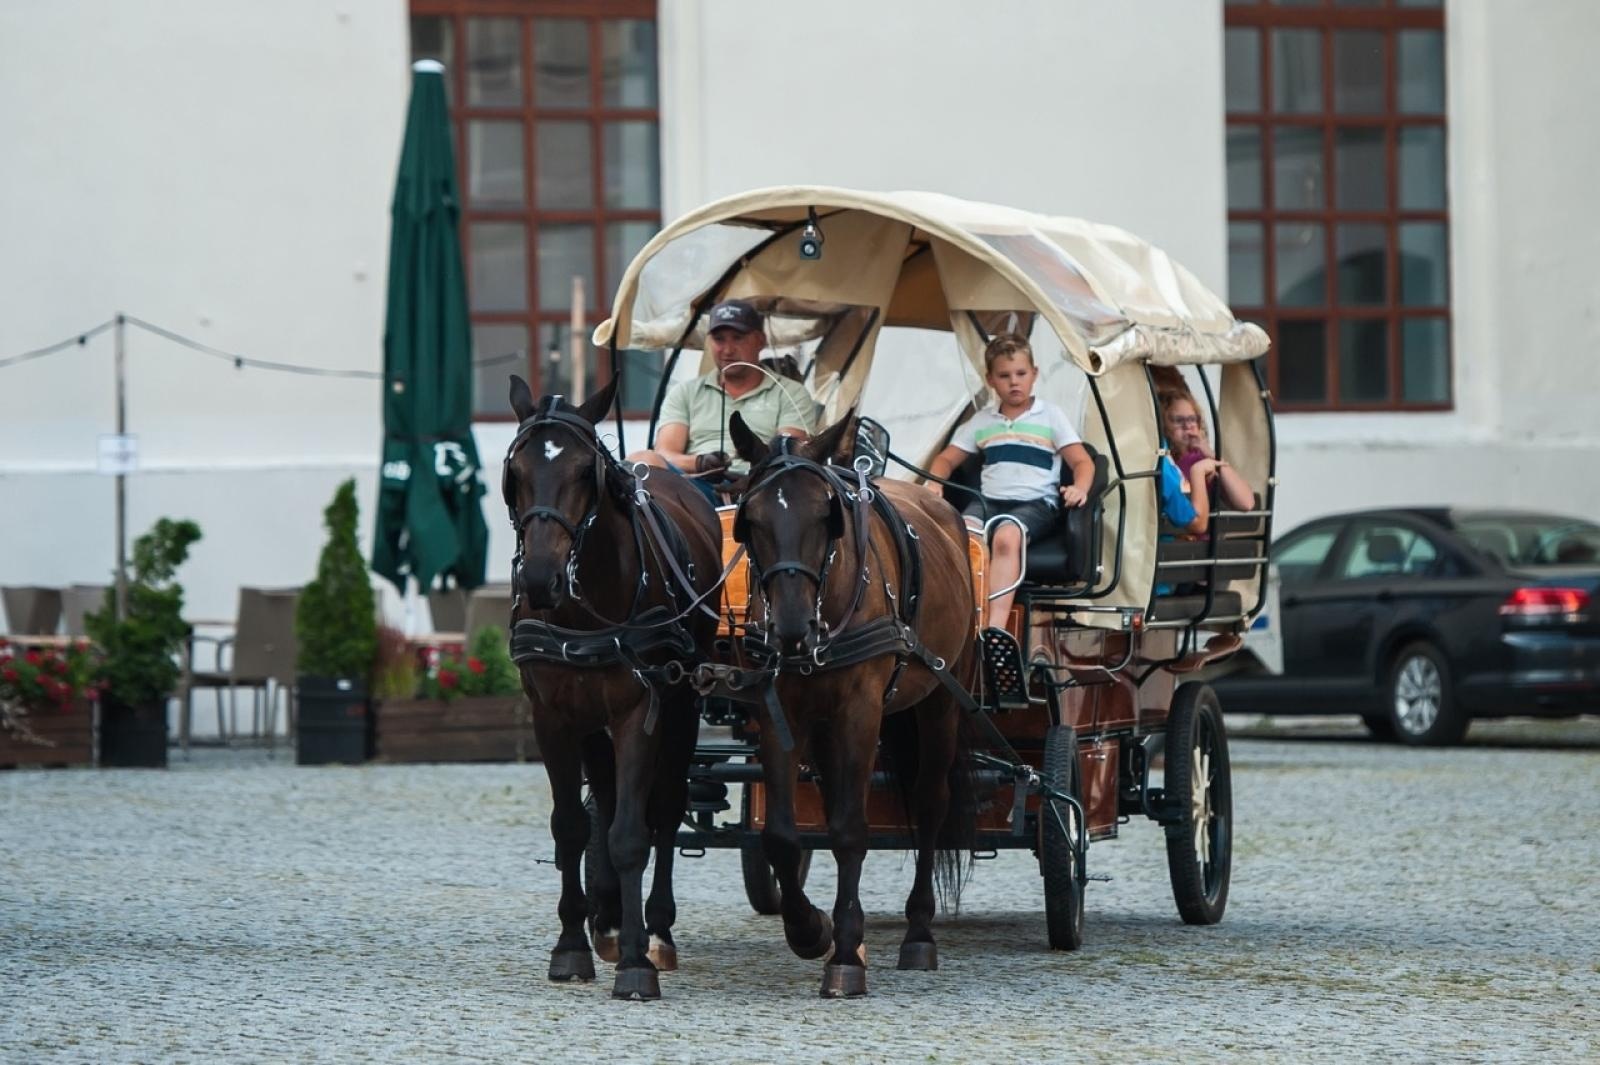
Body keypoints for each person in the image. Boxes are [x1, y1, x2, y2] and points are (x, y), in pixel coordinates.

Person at [926, 333, 1096, 638]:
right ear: (991, 380)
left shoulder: (1051, 416)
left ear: (1035, 374)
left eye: (1021, 374)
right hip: (989, 500)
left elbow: (1083, 462)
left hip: (1035, 503)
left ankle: (993, 630)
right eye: (1004, 376)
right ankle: (958, 619)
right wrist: (934, 483)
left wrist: (1080, 487)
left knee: (1006, 537)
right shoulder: (983, 421)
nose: (1014, 382)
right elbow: (946, 460)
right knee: (962, 536)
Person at [626, 299, 818, 505]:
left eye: (738, 338)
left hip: (764, 490)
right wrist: (700, 463)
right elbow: (664, 453)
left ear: (760, 340)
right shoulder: (685, 393)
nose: (727, 350)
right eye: (719, 339)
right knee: (641, 460)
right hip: (696, 491)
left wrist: (752, 471)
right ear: (709, 342)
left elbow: (788, 455)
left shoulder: (789, 392)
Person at [1161, 390, 1254, 514]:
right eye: (1178, 420)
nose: (1188, 426)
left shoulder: (1203, 461)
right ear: (1164, 426)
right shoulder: (1161, 460)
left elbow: (1246, 503)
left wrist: (1212, 455)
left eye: (1193, 419)